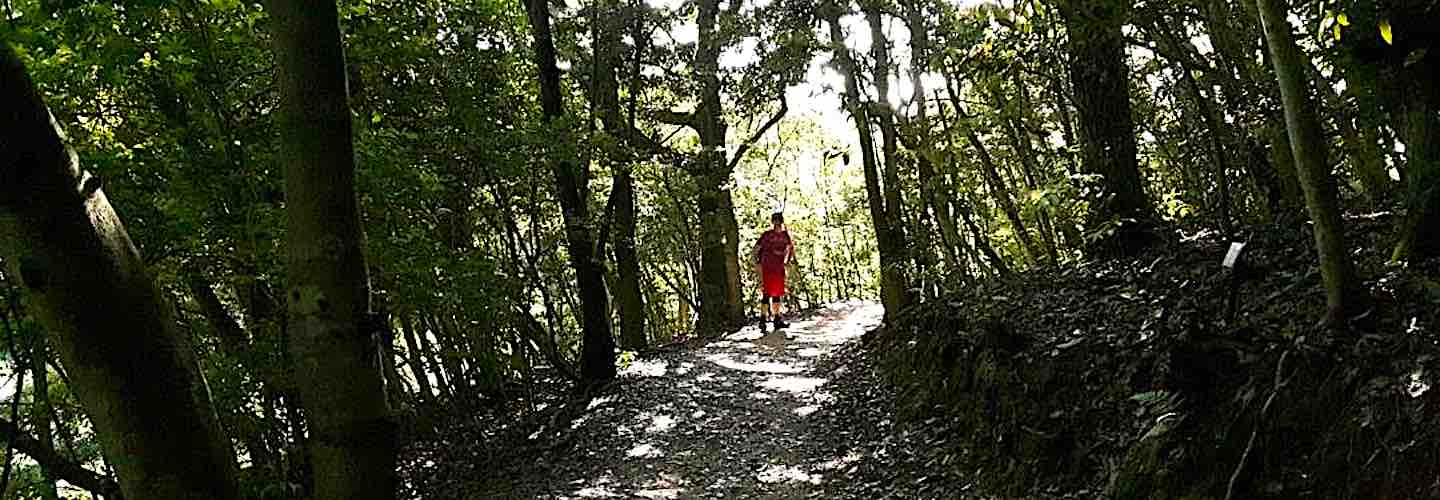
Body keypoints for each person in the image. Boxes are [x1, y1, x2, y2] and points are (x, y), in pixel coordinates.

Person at [753, 211, 796, 331]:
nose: (777, 223)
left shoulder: (782, 235)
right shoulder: (769, 235)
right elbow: (756, 249)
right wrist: (757, 264)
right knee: (769, 293)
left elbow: (789, 249)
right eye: (776, 221)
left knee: (774, 293)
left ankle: (773, 319)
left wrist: (786, 262)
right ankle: (766, 320)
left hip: (776, 267)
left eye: (778, 221)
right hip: (769, 267)